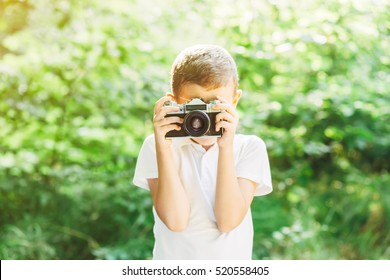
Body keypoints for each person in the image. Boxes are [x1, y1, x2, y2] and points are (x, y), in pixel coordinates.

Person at [133, 44, 272, 260]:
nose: (202, 115)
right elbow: (175, 221)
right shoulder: (157, 146)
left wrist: (225, 147)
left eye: (214, 103)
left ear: (234, 101)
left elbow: (228, 221)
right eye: (194, 104)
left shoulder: (249, 148)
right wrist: (163, 146)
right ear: (174, 102)